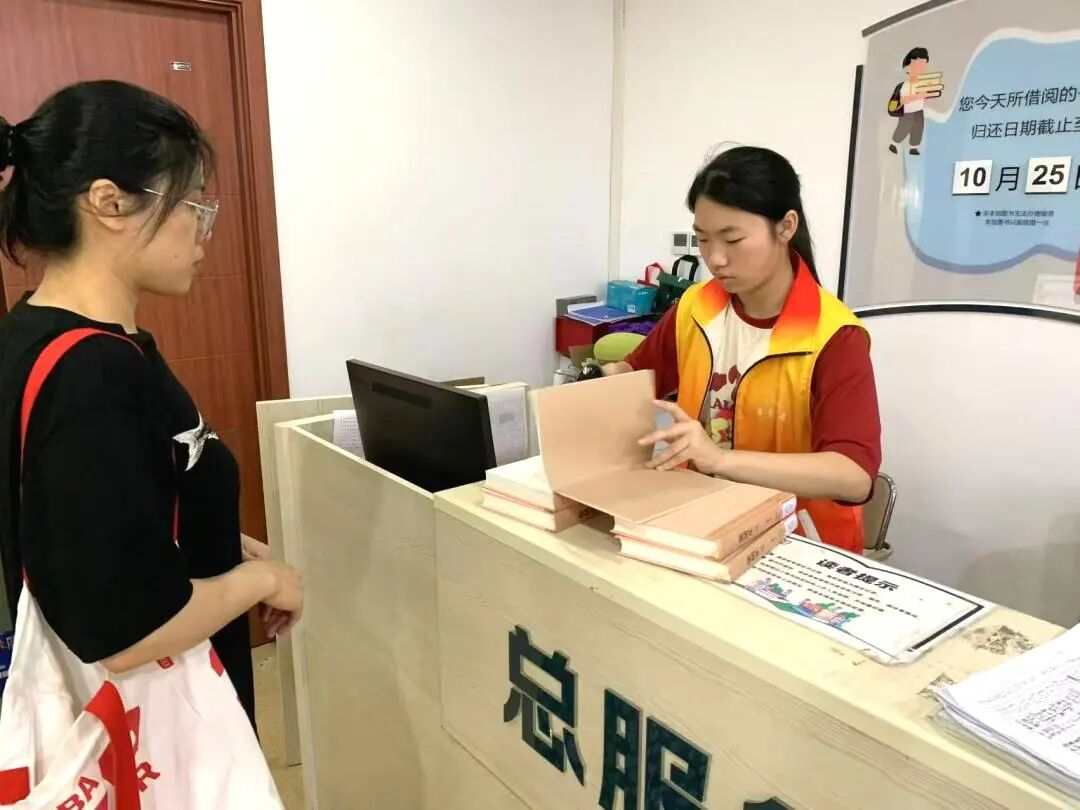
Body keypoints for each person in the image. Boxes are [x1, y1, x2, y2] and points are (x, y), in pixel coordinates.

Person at [0, 80, 303, 732]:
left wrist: (217, 539)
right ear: (109, 203)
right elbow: (127, 630)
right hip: (157, 731)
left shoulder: (40, 331)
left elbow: (96, 515)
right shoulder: (91, 374)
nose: (203, 230)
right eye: (192, 204)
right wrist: (264, 583)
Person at [604, 146, 881, 554]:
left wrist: (719, 459)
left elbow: (854, 475)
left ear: (786, 227)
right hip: (702, 524)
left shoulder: (834, 337)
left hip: (795, 543)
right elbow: (637, 375)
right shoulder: (697, 307)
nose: (715, 259)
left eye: (733, 239)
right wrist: (603, 380)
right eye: (702, 239)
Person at [889, 47, 931, 156]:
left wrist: (926, 95)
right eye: (917, 66)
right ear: (907, 67)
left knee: (918, 129)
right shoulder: (905, 85)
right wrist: (918, 96)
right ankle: (894, 143)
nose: (920, 70)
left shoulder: (921, 84)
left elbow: (925, 97)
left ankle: (914, 147)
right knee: (903, 128)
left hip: (918, 110)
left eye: (923, 66)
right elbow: (903, 100)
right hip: (907, 112)